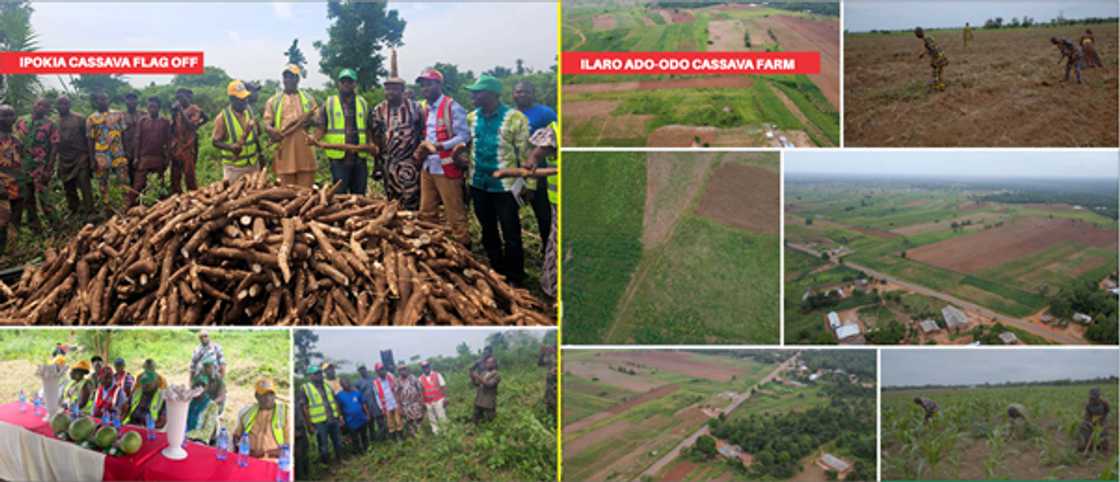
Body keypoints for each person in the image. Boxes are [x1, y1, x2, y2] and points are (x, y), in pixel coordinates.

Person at [465, 75, 531, 285]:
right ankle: (497, 271)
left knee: (511, 232)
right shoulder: (472, 118)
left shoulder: (515, 118)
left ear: (492, 94)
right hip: (479, 183)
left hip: (505, 187)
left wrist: (529, 186)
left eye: (478, 92)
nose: (473, 96)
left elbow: (525, 154)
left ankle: (515, 277)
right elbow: (470, 147)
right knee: (488, 230)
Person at [415, 67, 471, 246]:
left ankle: (463, 247)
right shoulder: (424, 108)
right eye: (422, 86)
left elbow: (463, 136)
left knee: (454, 212)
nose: (425, 89)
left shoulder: (452, 107)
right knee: (426, 211)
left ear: (439, 85)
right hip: (428, 167)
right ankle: (432, 246)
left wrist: (441, 146)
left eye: (429, 85)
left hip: (446, 167)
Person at [371, 51, 424, 210]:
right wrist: (377, 164)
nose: (390, 92)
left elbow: (422, 132)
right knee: (392, 199)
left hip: (409, 161)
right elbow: (376, 137)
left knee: (411, 197)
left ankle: (413, 227)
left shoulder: (415, 108)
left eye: (394, 89)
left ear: (402, 90)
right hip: (388, 162)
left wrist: (420, 157)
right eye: (387, 89)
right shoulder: (379, 110)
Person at [312, 68, 374, 195]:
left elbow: (368, 128)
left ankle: (358, 215)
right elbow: (321, 126)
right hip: (339, 158)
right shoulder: (329, 103)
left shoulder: (363, 103)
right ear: (338, 84)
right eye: (343, 81)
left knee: (359, 194)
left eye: (349, 81)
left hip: (359, 157)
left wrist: (371, 145)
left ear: (355, 84)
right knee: (340, 194)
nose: (346, 84)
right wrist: (315, 139)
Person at [513, 80, 557, 255]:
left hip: (540, 173)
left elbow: (554, 138)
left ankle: (548, 249)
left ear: (532, 94)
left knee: (543, 214)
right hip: (516, 173)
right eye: (517, 92)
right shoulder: (510, 114)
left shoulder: (545, 113)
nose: (520, 95)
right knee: (511, 212)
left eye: (524, 92)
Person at [263, 64, 319, 188]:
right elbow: (267, 123)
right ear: (283, 79)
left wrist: (309, 120)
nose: (289, 80)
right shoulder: (274, 101)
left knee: (306, 192)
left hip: (305, 151)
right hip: (284, 149)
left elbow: (318, 120)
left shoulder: (308, 99)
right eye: (286, 77)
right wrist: (271, 130)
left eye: (292, 77)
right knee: (286, 192)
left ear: (298, 79)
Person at [524, 122, 559, 299]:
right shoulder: (554, 131)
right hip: (559, 203)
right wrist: (531, 164)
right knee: (556, 246)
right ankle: (551, 289)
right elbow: (535, 155)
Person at [13, 98, 58, 229]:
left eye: (45, 106)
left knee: (45, 198)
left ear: (48, 109)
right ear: (33, 104)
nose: (41, 107)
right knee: (27, 198)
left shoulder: (50, 124)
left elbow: (54, 146)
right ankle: (34, 226)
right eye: (38, 104)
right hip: (23, 167)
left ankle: (55, 225)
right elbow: (15, 141)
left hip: (40, 167)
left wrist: (49, 168)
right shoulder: (21, 121)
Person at [85, 91, 129, 212]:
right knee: (103, 181)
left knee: (123, 178)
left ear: (108, 100)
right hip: (101, 154)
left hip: (118, 152)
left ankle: (125, 205)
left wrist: (127, 150)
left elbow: (124, 134)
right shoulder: (91, 119)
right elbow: (90, 140)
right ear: (96, 102)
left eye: (105, 99)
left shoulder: (118, 114)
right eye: (100, 99)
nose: (102, 101)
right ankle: (107, 207)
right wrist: (91, 158)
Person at [213, 80, 262, 182]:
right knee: (234, 195)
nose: (245, 101)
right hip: (234, 168)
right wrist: (231, 147)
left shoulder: (249, 111)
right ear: (232, 99)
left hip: (253, 165)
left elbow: (256, 136)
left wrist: (260, 155)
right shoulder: (222, 117)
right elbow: (215, 141)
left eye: (245, 98)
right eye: (241, 99)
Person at [127, 97, 172, 207]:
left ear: (159, 108)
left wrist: (167, 158)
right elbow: (137, 139)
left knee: (159, 183)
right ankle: (130, 206)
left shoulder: (165, 122)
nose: (151, 109)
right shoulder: (142, 121)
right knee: (138, 184)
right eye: (150, 107)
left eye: (154, 107)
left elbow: (168, 141)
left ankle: (160, 206)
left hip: (158, 158)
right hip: (144, 158)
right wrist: (136, 157)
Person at [234, 378, 290, 460]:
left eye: (271, 394)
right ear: (256, 396)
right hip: (247, 458)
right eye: (264, 395)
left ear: (275, 395)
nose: (268, 398)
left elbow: (289, 447)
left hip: (274, 461)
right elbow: (236, 437)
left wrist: (265, 453)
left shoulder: (285, 414)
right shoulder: (247, 412)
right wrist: (241, 449)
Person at [54, 96, 93, 215]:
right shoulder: (54, 122)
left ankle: (90, 210)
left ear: (70, 105)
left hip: (80, 157)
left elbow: (88, 139)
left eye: (65, 104)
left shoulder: (79, 119)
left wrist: (90, 158)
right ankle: (74, 210)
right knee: (68, 186)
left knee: (84, 185)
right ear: (56, 106)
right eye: (60, 104)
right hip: (64, 159)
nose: (63, 106)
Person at [300, 365, 344, 463]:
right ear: (310, 376)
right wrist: (309, 425)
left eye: (320, 373)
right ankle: (327, 466)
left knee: (338, 442)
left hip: (333, 418)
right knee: (323, 446)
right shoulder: (305, 388)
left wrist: (340, 416)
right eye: (316, 374)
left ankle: (340, 460)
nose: (319, 375)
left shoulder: (327, 385)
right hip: (320, 423)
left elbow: (334, 401)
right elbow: (305, 408)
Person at [168, 88, 208, 193]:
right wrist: (174, 113)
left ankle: (193, 196)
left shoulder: (193, 109)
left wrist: (198, 125)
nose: (179, 100)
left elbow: (191, 125)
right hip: (177, 146)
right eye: (178, 98)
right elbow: (172, 128)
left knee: (189, 174)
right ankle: (177, 197)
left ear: (187, 98)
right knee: (175, 176)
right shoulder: (177, 111)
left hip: (188, 146)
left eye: (181, 97)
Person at [185, 363, 225, 443]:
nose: (198, 388)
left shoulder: (211, 406)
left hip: (199, 441)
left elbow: (206, 433)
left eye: (202, 385)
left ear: (206, 387)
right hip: (183, 438)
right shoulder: (187, 402)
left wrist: (186, 434)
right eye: (196, 385)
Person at [0, 105, 21, 253]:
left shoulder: (16, 136)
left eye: (11, 115)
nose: (9, 119)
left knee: (15, 219)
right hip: (2, 185)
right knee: (2, 221)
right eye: (4, 115)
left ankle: (12, 250)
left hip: (17, 184)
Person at [335, 377, 370, 453]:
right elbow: (338, 408)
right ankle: (358, 452)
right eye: (344, 384)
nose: (346, 384)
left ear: (349, 382)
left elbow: (363, 404)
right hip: (350, 421)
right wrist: (340, 418)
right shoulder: (339, 395)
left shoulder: (356, 392)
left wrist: (367, 414)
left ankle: (367, 449)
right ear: (341, 385)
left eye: (347, 382)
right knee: (354, 438)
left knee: (364, 436)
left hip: (361, 418)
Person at [372, 362, 403, 440]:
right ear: (377, 372)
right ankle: (394, 440)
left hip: (395, 402)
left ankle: (401, 438)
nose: (382, 371)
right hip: (386, 405)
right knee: (390, 424)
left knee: (399, 421)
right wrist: (381, 407)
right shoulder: (376, 382)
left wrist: (399, 401)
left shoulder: (390, 376)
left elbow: (396, 386)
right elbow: (377, 396)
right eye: (380, 370)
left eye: (383, 369)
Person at [354, 365, 386, 442]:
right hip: (367, 407)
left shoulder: (374, 379)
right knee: (370, 426)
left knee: (381, 423)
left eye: (363, 369)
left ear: (366, 369)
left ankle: (383, 439)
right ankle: (374, 441)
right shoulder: (358, 382)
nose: (362, 371)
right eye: (360, 369)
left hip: (377, 405)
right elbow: (357, 395)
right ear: (359, 371)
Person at [121, 92, 146, 188]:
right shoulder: (121, 116)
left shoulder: (144, 115)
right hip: (127, 150)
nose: (131, 102)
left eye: (133, 100)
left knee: (142, 175)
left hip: (142, 150)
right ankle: (133, 197)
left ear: (137, 102)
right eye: (129, 99)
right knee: (131, 175)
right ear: (125, 102)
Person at [914, 27, 949, 92]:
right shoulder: (928, 37)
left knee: (935, 73)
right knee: (940, 72)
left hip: (938, 56)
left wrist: (934, 60)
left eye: (916, 34)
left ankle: (936, 88)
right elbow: (930, 48)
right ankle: (941, 87)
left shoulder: (926, 39)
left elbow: (933, 49)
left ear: (918, 35)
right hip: (941, 54)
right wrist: (923, 54)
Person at [418, 360, 448, 434]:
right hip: (428, 402)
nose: (426, 368)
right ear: (422, 368)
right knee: (432, 419)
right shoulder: (420, 379)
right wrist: (423, 403)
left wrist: (446, 398)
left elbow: (443, 386)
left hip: (439, 399)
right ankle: (436, 433)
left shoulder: (437, 374)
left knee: (442, 416)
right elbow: (421, 392)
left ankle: (446, 432)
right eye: (424, 367)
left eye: (427, 366)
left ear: (429, 366)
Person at [395, 363, 425, 436]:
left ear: (407, 369)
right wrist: (399, 406)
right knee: (409, 421)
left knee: (419, 418)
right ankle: (414, 435)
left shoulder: (413, 378)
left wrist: (421, 400)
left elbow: (420, 389)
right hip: (405, 405)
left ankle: (420, 432)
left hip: (415, 402)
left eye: (404, 369)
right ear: (399, 371)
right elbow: (397, 394)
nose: (403, 371)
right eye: (401, 370)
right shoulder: (398, 381)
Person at [471, 354, 501, 423]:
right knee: (476, 421)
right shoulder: (483, 373)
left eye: (491, 362)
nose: (488, 364)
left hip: (489, 402)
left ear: (494, 364)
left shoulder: (497, 375)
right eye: (487, 362)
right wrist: (472, 377)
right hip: (479, 400)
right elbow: (477, 384)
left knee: (491, 421)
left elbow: (489, 385)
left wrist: (478, 377)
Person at [1080, 387, 1110, 452]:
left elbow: (1107, 411)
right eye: (1091, 397)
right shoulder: (1088, 404)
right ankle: (1088, 444)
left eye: (1095, 398)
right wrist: (1090, 422)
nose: (1093, 399)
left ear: (1098, 396)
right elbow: (1087, 415)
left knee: (1103, 432)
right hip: (1092, 418)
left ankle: (1103, 447)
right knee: (1084, 426)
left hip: (1103, 418)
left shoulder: (1104, 403)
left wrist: (1102, 420)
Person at [538, 344, 557, 415]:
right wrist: (542, 353)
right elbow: (540, 363)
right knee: (549, 406)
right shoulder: (550, 353)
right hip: (550, 387)